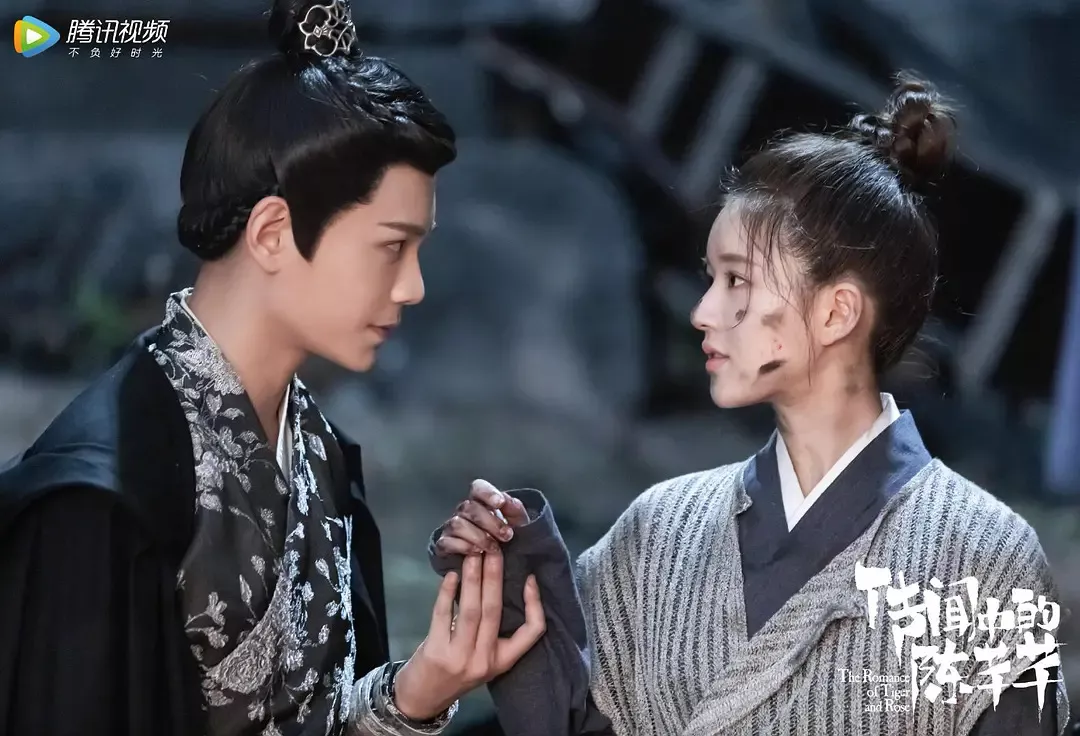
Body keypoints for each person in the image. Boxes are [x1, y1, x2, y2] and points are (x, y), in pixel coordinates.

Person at [431, 76, 1071, 735]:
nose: (703, 312)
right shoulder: (661, 528)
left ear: (836, 312)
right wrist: (514, 576)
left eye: (737, 279)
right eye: (711, 278)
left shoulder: (981, 555)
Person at [0, 0, 545, 733]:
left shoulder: (320, 454)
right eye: (391, 247)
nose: (413, 286)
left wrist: (418, 689)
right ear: (272, 232)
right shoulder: (97, 507)